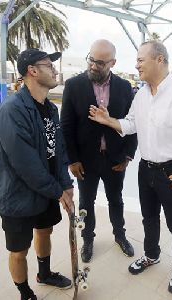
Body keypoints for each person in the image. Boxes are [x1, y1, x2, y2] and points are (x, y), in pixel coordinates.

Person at [88, 40, 172, 295]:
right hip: (145, 169)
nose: (136, 65)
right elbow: (130, 125)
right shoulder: (140, 94)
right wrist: (108, 120)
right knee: (149, 218)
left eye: (140, 60)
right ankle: (151, 255)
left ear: (159, 60)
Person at [0, 49, 75, 300]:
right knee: (19, 250)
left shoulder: (50, 108)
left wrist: (66, 183)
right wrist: (57, 190)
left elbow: (58, 151)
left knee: (44, 231)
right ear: (32, 70)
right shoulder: (12, 110)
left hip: (47, 190)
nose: (54, 69)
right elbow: (25, 163)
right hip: (18, 196)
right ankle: (25, 291)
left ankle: (45, 273)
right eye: (49, 65)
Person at [61, 39, 137, 263]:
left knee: (116, 200)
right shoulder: (74, 86)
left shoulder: (124, 87)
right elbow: (67, 126)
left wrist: (128, 155)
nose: (94, 65)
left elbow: (132, 123)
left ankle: (120, 236)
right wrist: (72, 160)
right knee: (86, 202)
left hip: (115, 160)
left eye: (100, 63)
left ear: (112, 63)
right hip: (86, 161)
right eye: (91, 59)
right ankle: (88, 239)